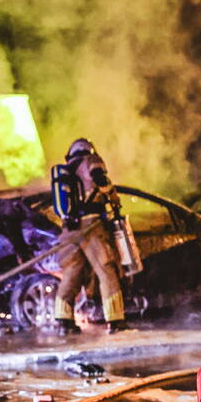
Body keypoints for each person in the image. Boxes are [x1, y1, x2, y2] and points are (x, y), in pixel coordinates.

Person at [53, 138, 130, 335]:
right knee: (106, 270)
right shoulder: (92, 160)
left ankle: (63, 322)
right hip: (92, 225)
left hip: (70, 229)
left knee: (72, 273)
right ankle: (116, 320)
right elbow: (101, 179)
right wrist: (112, 196)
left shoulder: (66, 170)